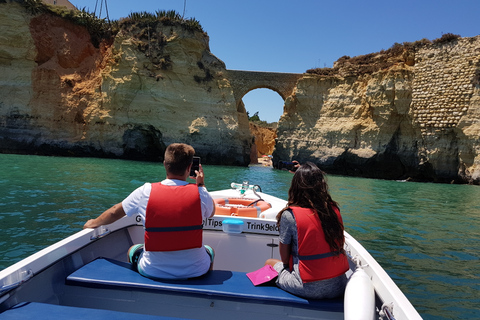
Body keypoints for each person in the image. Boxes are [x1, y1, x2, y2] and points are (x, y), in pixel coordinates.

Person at [84, 143, 215, 279]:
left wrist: (93, 223)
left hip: (152, 270)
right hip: (195, 271)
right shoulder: (200, 193)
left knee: (132, 250)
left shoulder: (145, 191)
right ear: (189, 167)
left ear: (165, 164)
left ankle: (137, 290)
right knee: (210, 251)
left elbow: (114, 212)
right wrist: (201, 184)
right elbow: (210, 213)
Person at [265, 162, 349, 299]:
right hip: (339, 285)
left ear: (296, 186)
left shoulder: (290, 215)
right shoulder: (333, 210)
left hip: (308, 288)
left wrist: (288, 268)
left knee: (269, 263)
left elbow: (285, 258)